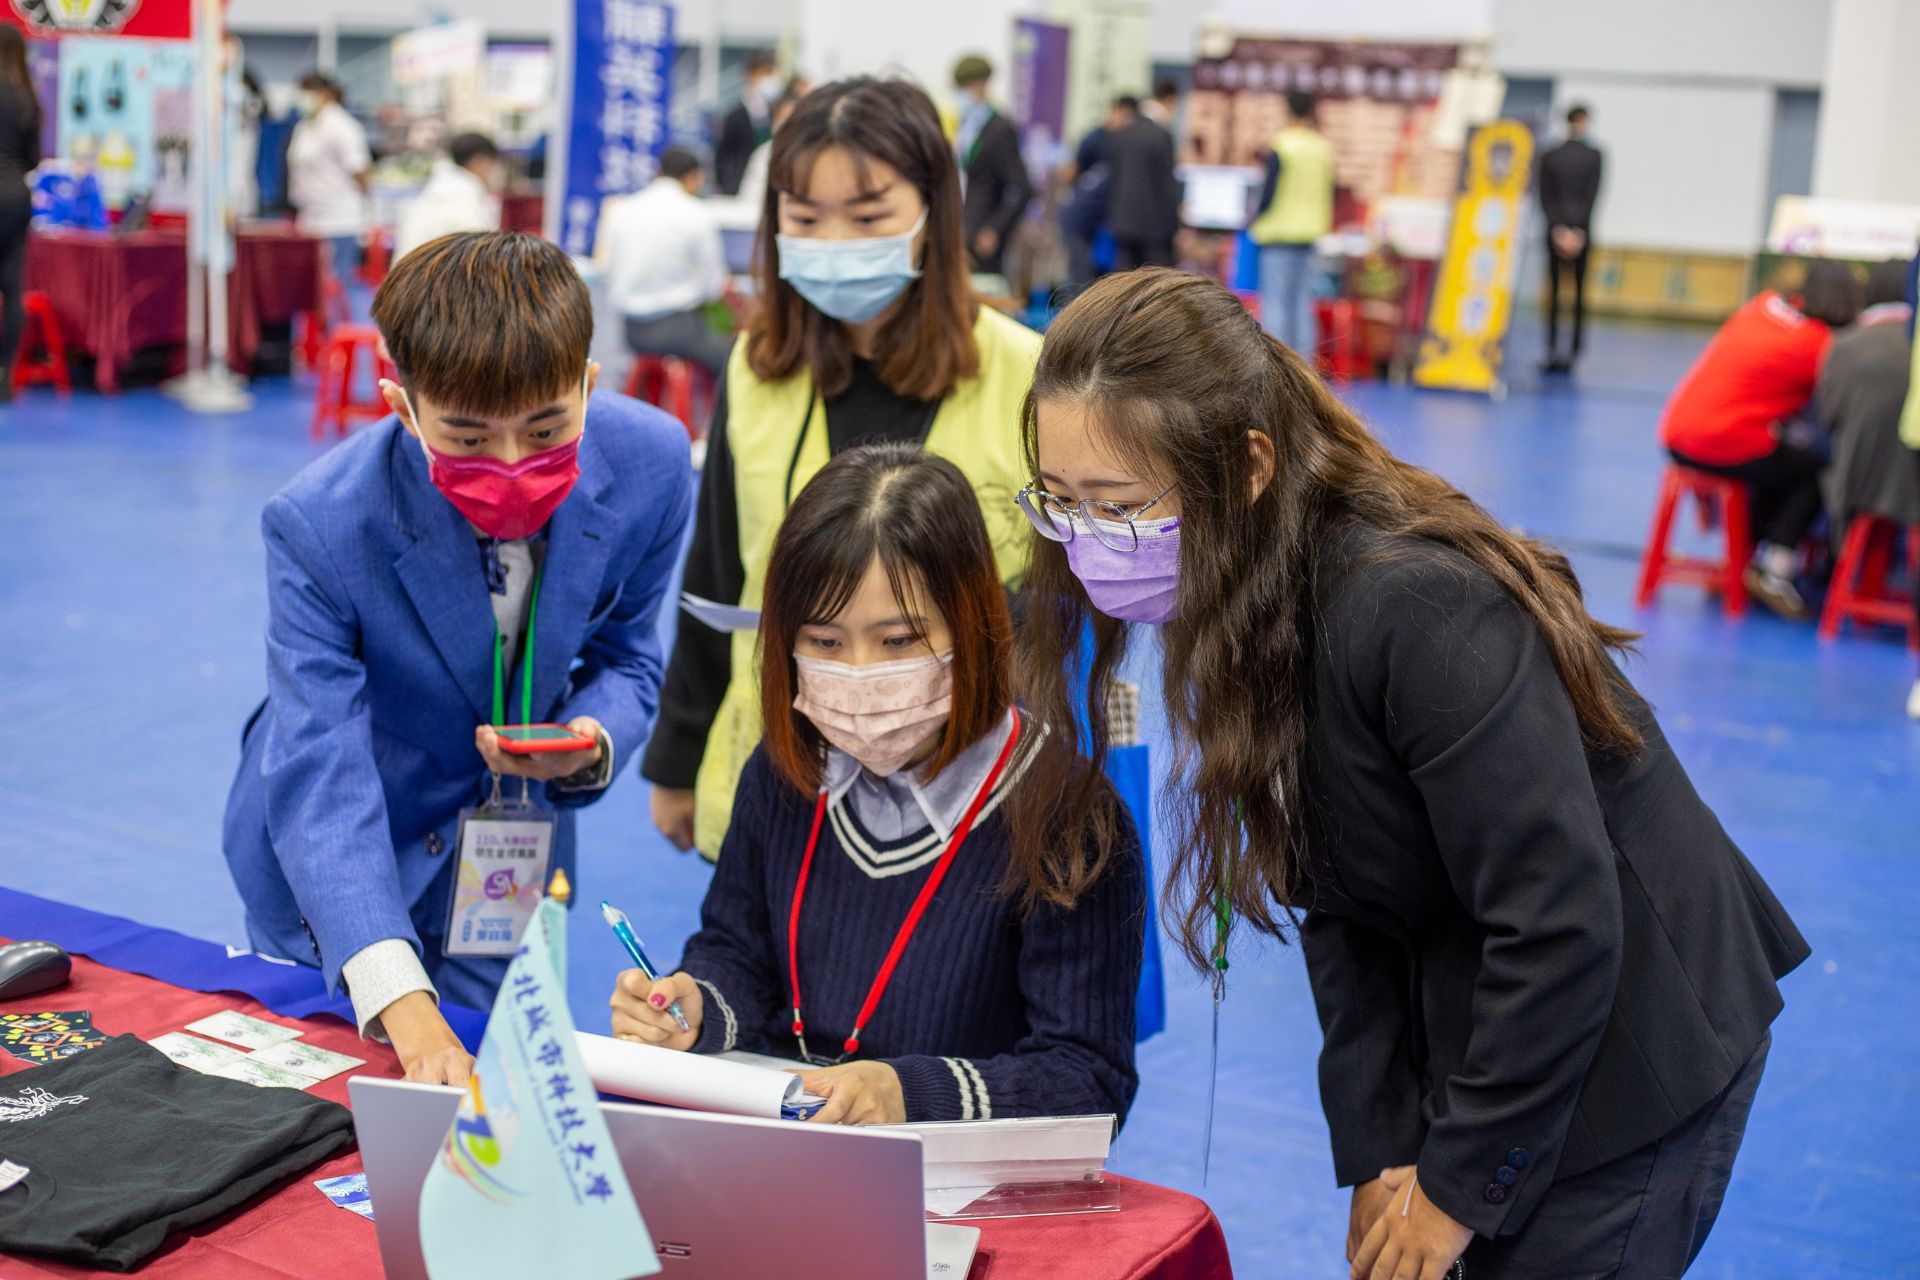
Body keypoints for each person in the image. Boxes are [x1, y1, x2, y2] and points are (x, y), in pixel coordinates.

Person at [1022, 269, 1808, 1280]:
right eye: (1062, 502)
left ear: (1248, 466)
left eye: (1120, 506)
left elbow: (1561, 919)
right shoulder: (1239, 586)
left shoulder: (1418, 608)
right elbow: (1336, 898)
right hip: (1490, 996)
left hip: (1628, 1034)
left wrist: (1458, 1186)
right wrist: (1383, 1143)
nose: (1089, 540)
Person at [222, 232, 694, 1086]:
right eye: (469, 441)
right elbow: (320, 764)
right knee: (341, 1101)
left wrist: (589, 740)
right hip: (342, 858)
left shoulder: (652, 465)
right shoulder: (322, 523)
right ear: (403, 408)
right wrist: (401, 1001)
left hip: (511, 856)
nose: (512, 466)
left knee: (495, 1080)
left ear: (588, 387)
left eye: (546, 430)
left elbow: (629, 656)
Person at [613, 445, 1143, 1125]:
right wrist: (695, 1007)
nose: (860, 673)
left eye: (898, 641)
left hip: (956, 1177)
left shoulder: (1068, 815)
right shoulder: (783, 771)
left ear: (972, 624)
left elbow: (1085, 1078)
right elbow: (737, 953)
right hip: (785, 1146)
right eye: (825, 643)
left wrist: (904, 1092)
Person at [639, 77, 1041, 861]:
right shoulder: (758, 370)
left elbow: (1068, 603)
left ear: (932, 213)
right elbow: (717, 574)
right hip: (780, 777)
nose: (834, 242)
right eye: (804, 217)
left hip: (968, 788)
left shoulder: (1026, 377)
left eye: (868, 217)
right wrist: (676, 760)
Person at [1661, 262, 1863, 618]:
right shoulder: (1819, 345)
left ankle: (1741, 561)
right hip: (1721, 439)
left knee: (1779, 465)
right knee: (1813, 472)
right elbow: (1834, 410)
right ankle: (1775, 569)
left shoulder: (1763, 304)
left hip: (1678, 431)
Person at [601, 145, 733, 379]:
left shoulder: (622, 209)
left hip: (631, 330)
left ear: (658, 172)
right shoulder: (696, 213)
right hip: (678, 330)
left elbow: (607, 266)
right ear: (693, 177)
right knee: (733, 356)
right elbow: (714, 286)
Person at [1249, 89, 1334, 355]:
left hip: (1279, 234)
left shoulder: (1283, 144)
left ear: (1287, 111)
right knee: (1302, 303)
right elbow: (1330, 191)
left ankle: (1275, 365)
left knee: (1275, 302)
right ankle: (1305, 366)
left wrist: (1254, 217)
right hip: (1309, 235)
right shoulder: (1322, 147)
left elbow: (1268, 193)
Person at [288, 72, 371, 293]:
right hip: (310, 217)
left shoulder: (343, 126)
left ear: (325, 94)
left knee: (338, 287)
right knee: (311, 289)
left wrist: (367, 208)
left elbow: (360, 170)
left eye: (307, 92)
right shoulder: (305, 126)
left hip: (339, 219)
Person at [950, 55, 1032, 277]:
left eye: (969, 86)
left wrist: (995, 229)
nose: (964, 93)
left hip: (982, 237)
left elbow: (1023, 188)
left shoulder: (1000, 128)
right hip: (963, 227)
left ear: (983, 84)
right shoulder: (966, 125)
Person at [1537, 105, 1603, 375]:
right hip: (1579, 233)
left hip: (1557, 233)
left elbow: (1546, 197)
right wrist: (1576, 231)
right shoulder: (1593, 156)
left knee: (1557, 295)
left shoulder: (1551, 155)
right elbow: (1591, 197)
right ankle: (1571, 350)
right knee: (1574, 295)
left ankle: (1554, 348)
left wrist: (1559, 229)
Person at [0, 25, 42, 403]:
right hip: (16, 197)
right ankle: (4, 373)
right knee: (13, 289)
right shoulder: (27, 96)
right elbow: (33, 159)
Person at [1056, 98, 1127, 299]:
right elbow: (1075, 171)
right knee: (1080, 275)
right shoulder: (1094, 139)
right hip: (1078, 217)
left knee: (1095, 273)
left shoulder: (1118, 146)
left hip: (1096, 221)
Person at [394, 132, 501, 261]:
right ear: (479, 162)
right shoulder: (462, 200)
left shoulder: (436, 191)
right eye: (492, 165)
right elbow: (479, 258)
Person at [1104, 90, 1180, 271]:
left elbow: (1112, 179)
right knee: (1156, 280)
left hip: (1123, 222)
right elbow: (1167, 185)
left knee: (1125, 278)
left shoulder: (1121, 134)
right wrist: (1175, 225)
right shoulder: (1161, 136)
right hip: (1155, 227)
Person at [715, 51, 779, 196]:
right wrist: (727, 186)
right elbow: (723, 155)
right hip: (739, 188)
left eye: (771, 73)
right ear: (750, 76)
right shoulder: (735, 116)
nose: (770, 79)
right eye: (765, 73)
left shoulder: (773, 113)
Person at [732, 84, 803, 214]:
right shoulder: (763, 154)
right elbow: (749, 196)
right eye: (782, 117)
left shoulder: (812, 155)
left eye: (792, 119)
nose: (786, 124)